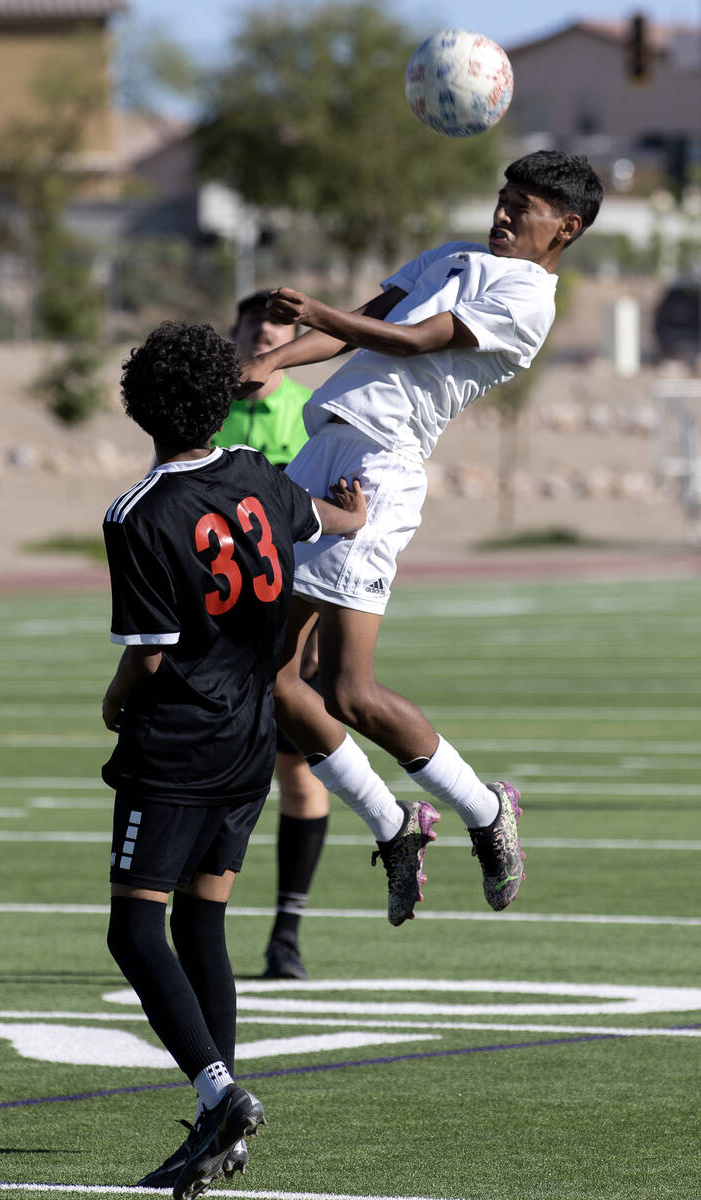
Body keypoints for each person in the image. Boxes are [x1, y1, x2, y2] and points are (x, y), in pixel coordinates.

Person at [239, 150, 604, 924]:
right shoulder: (453, 257)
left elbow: (413, 340)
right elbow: (355, 334)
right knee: (268, 678)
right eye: (503, 198)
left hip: (378, 472)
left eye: (525, 206)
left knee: (348, 690)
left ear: (565, 228)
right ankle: (393, 822)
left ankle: (484, 808)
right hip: (320, 452)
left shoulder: (529, 299)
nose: (503, 213)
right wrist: (266, 361)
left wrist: (319, 316)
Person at [100, 319, 367, 1196]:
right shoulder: (254, 472)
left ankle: (219, 1098)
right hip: (250, 738)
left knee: (135, 926)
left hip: (175, 742)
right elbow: (322, 518)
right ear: (223, 400)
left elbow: (148, 651)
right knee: (202, 921)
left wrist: (112, 704)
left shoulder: (139, 511)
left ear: (138, 408)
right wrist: (352, 511)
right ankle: (226, 1125)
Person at [215, 290, 329, 981]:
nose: (266, 330)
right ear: (234, 332)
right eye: (255, 320)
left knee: (298, 774)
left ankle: (286, 934)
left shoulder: (311, 414)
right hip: (217, 628)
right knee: (219, 777)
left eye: (282, 321)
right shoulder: (206, 412)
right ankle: (203, 927)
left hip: (291, 623)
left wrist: (313, 629)